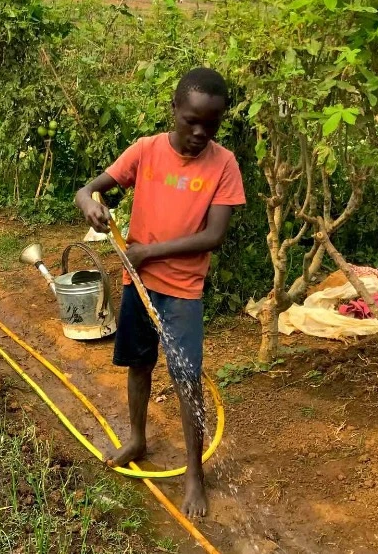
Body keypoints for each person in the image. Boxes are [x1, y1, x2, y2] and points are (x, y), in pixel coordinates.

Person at [74, 67, 245, 518]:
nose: (199, 132)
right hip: (138, 286)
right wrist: (92, 204)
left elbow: (214, 236)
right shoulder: (146, 151)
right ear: (174, 110)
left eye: (211, 124)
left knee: (187, 381)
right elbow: (88, 189)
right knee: (138, 364)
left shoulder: (224, 164)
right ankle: (137, 439)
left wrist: (150, 252)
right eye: (191, 120)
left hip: (183, 292)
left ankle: (194, 473)